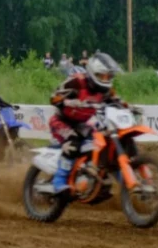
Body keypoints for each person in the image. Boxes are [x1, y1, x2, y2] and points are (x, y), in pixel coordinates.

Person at [48, 52, 126, 194]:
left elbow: (117, 101)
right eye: (102, 76)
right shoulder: (77, 82)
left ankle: (124, 183)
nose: (105, 79)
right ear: (93, 72)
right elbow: (54, 97)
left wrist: (129, 107)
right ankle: (59, 182)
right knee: (73, 143)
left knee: (104, 143)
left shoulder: (105, 90)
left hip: (83, 124)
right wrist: (71, 102)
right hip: (62, 121)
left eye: (108, 76)